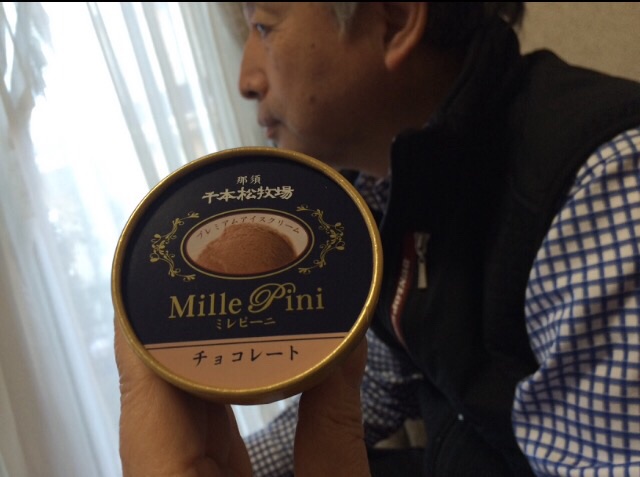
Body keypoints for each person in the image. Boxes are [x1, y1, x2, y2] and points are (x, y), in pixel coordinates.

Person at [115, 2, 640, 476]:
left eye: (264, 27)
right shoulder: (380, 189)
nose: (246, 80)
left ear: (393, 20)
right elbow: (385, 381)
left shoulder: (604, 185)